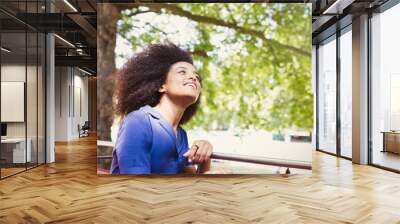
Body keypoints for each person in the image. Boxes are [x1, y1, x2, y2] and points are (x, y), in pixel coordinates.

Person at [110, 43, 213, 174]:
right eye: (182, 72)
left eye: (196, 76)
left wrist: (205, 155)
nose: (193, 77)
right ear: (161, 85)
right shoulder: (138, 121)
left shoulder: (181, 135)